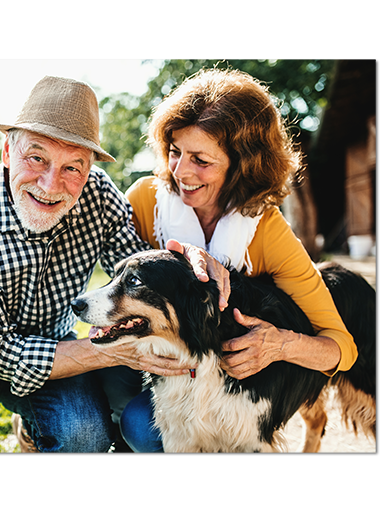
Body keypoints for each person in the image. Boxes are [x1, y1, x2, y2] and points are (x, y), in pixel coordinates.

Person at [0, 75, 230, 453]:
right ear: (8, 153)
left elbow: (138, 272)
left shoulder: (100, 198)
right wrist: (106, 352)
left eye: (72, 167)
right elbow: (2, 354)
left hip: (54, 352)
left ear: (89, 170)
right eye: (36, 157)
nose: (50, 183)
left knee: (84, 437)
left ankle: (31, 424)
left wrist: (190, 261)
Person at [117, 68, 359, 452]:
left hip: (230, 387)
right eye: (175, 152)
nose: (181, 171)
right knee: (140, 425)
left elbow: (341, 349)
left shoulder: (269, 232)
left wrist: (279, 345)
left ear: (243, 163)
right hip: (159, 372)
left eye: (201, 159)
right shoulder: (145, 200)